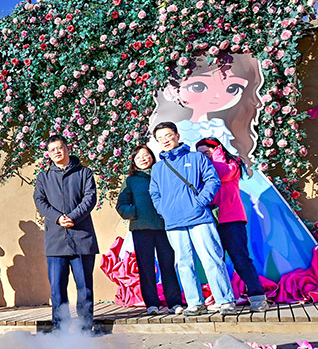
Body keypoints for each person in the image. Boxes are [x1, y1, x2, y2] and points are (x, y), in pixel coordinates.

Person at [150, 53, 315, 280]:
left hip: (223, 207)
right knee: (196, 256)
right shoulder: (175, 153)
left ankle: (251, 292)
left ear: (176, 136)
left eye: (231, 88)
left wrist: (202, 194)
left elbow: (220, 172)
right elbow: (160, 188)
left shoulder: (218, 142)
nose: (216, 95)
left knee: (236, 251)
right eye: (198, 86)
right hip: (190, 209)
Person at [148, 122, 237, 316]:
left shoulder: (196, 158)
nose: (165, 140)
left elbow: (212, 180)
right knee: (183, 262)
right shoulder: (158, 168)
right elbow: (154, 193)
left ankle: (225, 300)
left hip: (200, 218)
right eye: (160, 138)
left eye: (168, 135)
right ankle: (195, 303)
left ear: (177, 136)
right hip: (173, 222)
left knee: (211, 259)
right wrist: (164, 210)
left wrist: (200, 202)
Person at [195, 137, 271, 312]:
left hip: (232, 220)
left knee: (240, 259)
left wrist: (214, 157)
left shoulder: (232, 164)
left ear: (217, 149)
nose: (204, 157)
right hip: (211, 221)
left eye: (207, 152)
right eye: (200, 155)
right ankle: (223, 299)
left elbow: (222, 174)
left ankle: (258, 297)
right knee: (215, 261)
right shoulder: (202, 169)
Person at [33, 135, 100, 332]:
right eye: (52, 150)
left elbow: (90, 198)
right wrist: (57, 218)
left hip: (81, 237)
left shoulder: (84, 173)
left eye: (60, 148)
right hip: (56, 241)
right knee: (57, 288)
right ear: (49, 154)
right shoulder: (43, 178)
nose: (57, 152)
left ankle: (86, 327)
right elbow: (40, 201)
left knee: (84, 287)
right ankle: (60, 327)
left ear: (67, 148)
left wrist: (73, 216)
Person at [116, 146, 184, 315]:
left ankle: (174, 302)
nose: (143, 159)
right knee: (146, 267)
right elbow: (121, 205)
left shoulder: (163, 174)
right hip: (141, 228)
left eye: (146, 155)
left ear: (152, 157)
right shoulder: (131, 181)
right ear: (133, 161)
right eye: (139, 157)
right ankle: (151, 304)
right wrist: (134, 212)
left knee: (168, 265)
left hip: (163, 227)